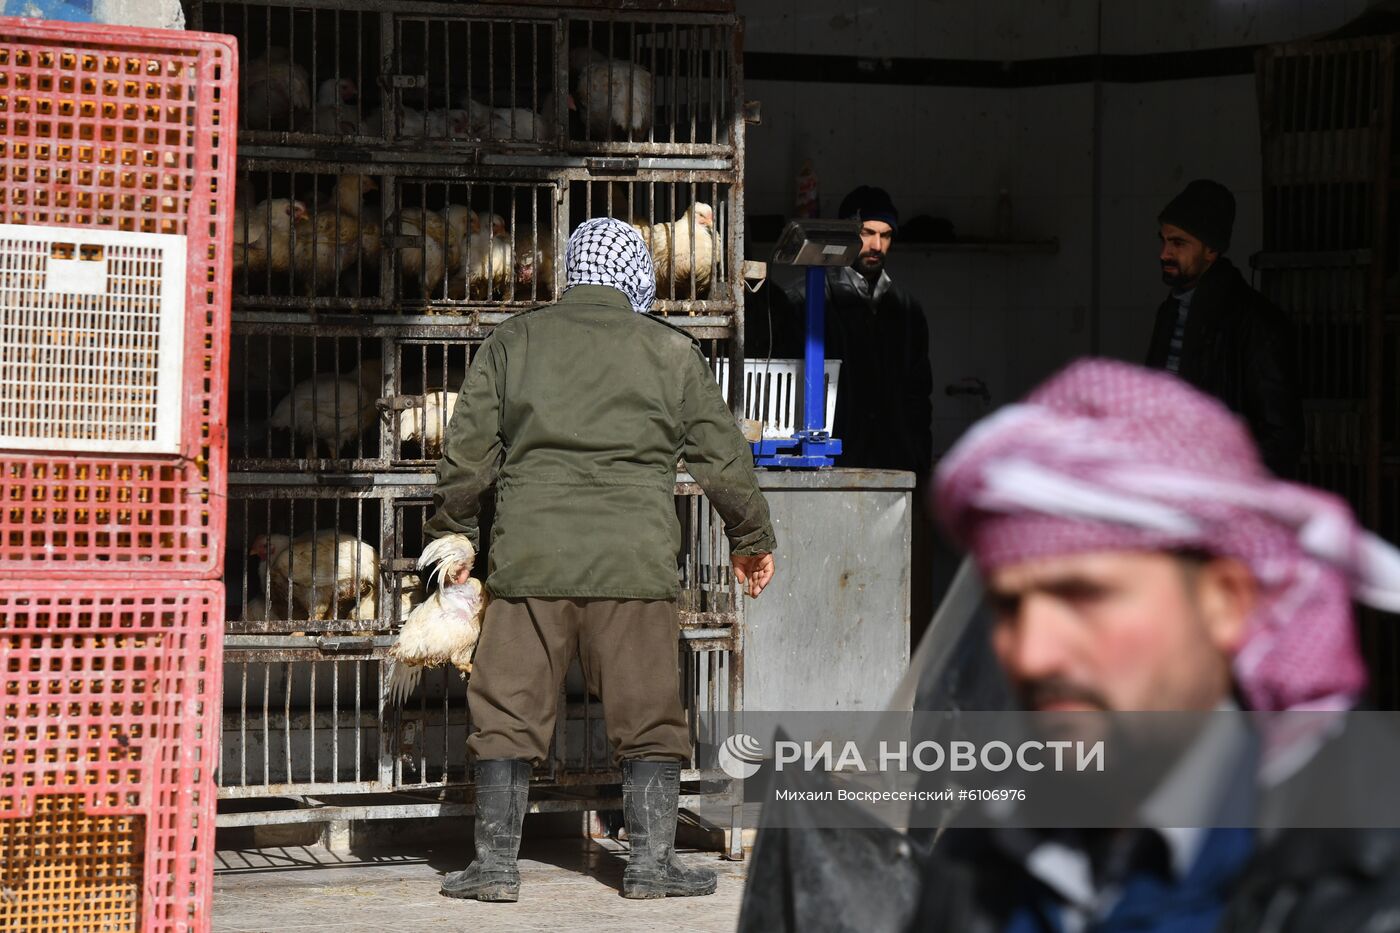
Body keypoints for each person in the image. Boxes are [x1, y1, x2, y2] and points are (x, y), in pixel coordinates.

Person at [911, 358, 1400, 929]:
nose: (1030, 653)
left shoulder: (1359, 876)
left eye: (1084, 596)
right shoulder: (981, 859)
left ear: (1226, 601)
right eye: (1009, 606)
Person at [424, 217, 777, 902]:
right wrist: (751, 539)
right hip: (632, 567)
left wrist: (456, 533)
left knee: (506, 709)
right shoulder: (671, 354)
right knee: (648, 714)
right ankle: (650, 865)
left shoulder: (514, 341)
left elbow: (467, 451)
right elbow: (722, 454)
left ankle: (495, 867)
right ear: (635, 273)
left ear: (571, 269)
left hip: (530, 562)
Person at [753, 185, 933, 476]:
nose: (876, 245)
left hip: (894, 463)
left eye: (885, 235)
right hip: (835, 461)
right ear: (847, 234)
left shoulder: (908, 310)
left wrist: (919, 462)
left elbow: (919, 395)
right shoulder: (804, 301)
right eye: (867, 233)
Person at [1146, 178, 1304, 477]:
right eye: (1164, 240)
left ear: (1211, 250)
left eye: (1178, 243)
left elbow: (1282, 438)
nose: (1164, 253)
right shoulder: (1170, 311)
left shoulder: (1257, 321)